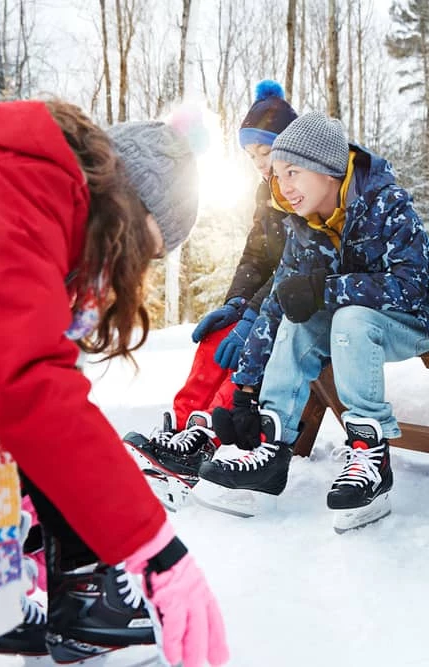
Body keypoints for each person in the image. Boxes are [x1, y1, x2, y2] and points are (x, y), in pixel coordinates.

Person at [0, 98, 228, 667]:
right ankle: (90, 598)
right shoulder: (25, 190)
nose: (128, 274)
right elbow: (26, 381)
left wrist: (15, 497)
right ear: (124, 210)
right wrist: (156, 553)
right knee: (17, 366)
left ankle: (19, 599)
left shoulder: (12, 175)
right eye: (142, 250)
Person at [190, 111, 429, 534]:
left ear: (328, 170)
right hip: (350, 322)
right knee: (299, 323)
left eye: (293, 172)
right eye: (278, 176)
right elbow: (276, 307)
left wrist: (326, 291)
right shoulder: (303, 228)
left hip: (417, 320)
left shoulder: (386, 203)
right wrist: (245, 391)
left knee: (349, 318)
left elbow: (411, 286)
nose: (284, 187)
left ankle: (370, 452)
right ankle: (271, 445)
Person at [123, 80, 296, 505]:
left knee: (250, 342)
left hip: (294, 303)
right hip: (265, 299)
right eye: (251, 156)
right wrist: (236, 303)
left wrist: (254, 315)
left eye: (264, 152)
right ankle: (185, 428)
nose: (258, 163)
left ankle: (208, 435)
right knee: (217, 338)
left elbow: (301, 262)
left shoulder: (301, 188)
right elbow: (256, 256)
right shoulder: (265, 193)